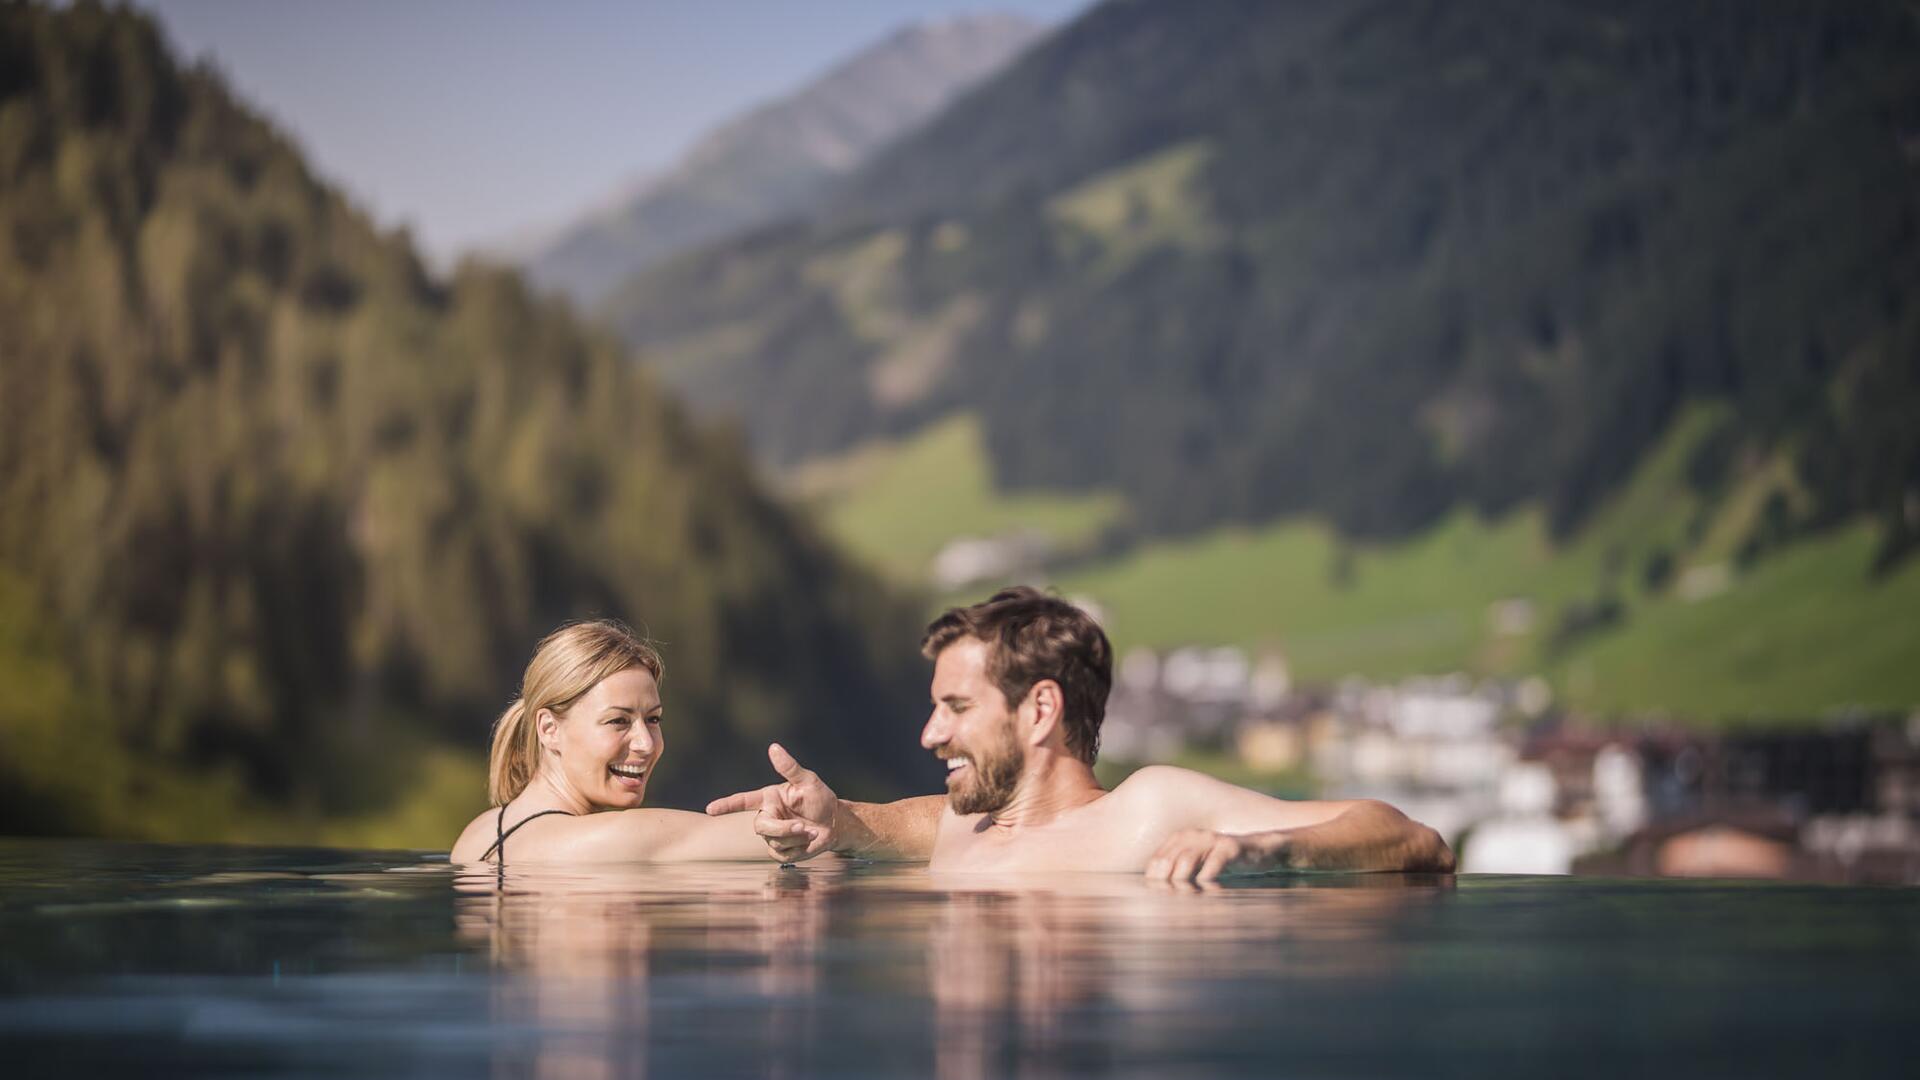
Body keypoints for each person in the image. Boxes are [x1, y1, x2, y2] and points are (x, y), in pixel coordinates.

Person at [708, 587, 1455, 883]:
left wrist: (1265, 850)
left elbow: (1416, 839)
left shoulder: (1151, 810)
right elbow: (916, 824)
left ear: (1040, 710)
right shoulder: (968, 827)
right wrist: (840, 820)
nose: (931, 734)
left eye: (957, 707)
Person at [450, 620, 771, 865]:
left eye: (653, 719)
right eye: (618, 721)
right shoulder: (607, 840)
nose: (646, 744)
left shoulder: (477, 834)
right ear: (549, 729)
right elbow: (788, 840)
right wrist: (803, 814)